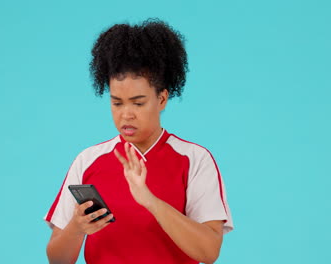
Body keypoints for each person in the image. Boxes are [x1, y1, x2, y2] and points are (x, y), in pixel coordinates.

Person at [44, 18, 234, 264]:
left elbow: (209, 251)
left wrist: (151, 202)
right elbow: (57, 260)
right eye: (117, 103)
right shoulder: (88, 160)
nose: (126, 114)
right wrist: (76, 228)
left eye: (138, 102)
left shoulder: (194, 159)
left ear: (162, 99)